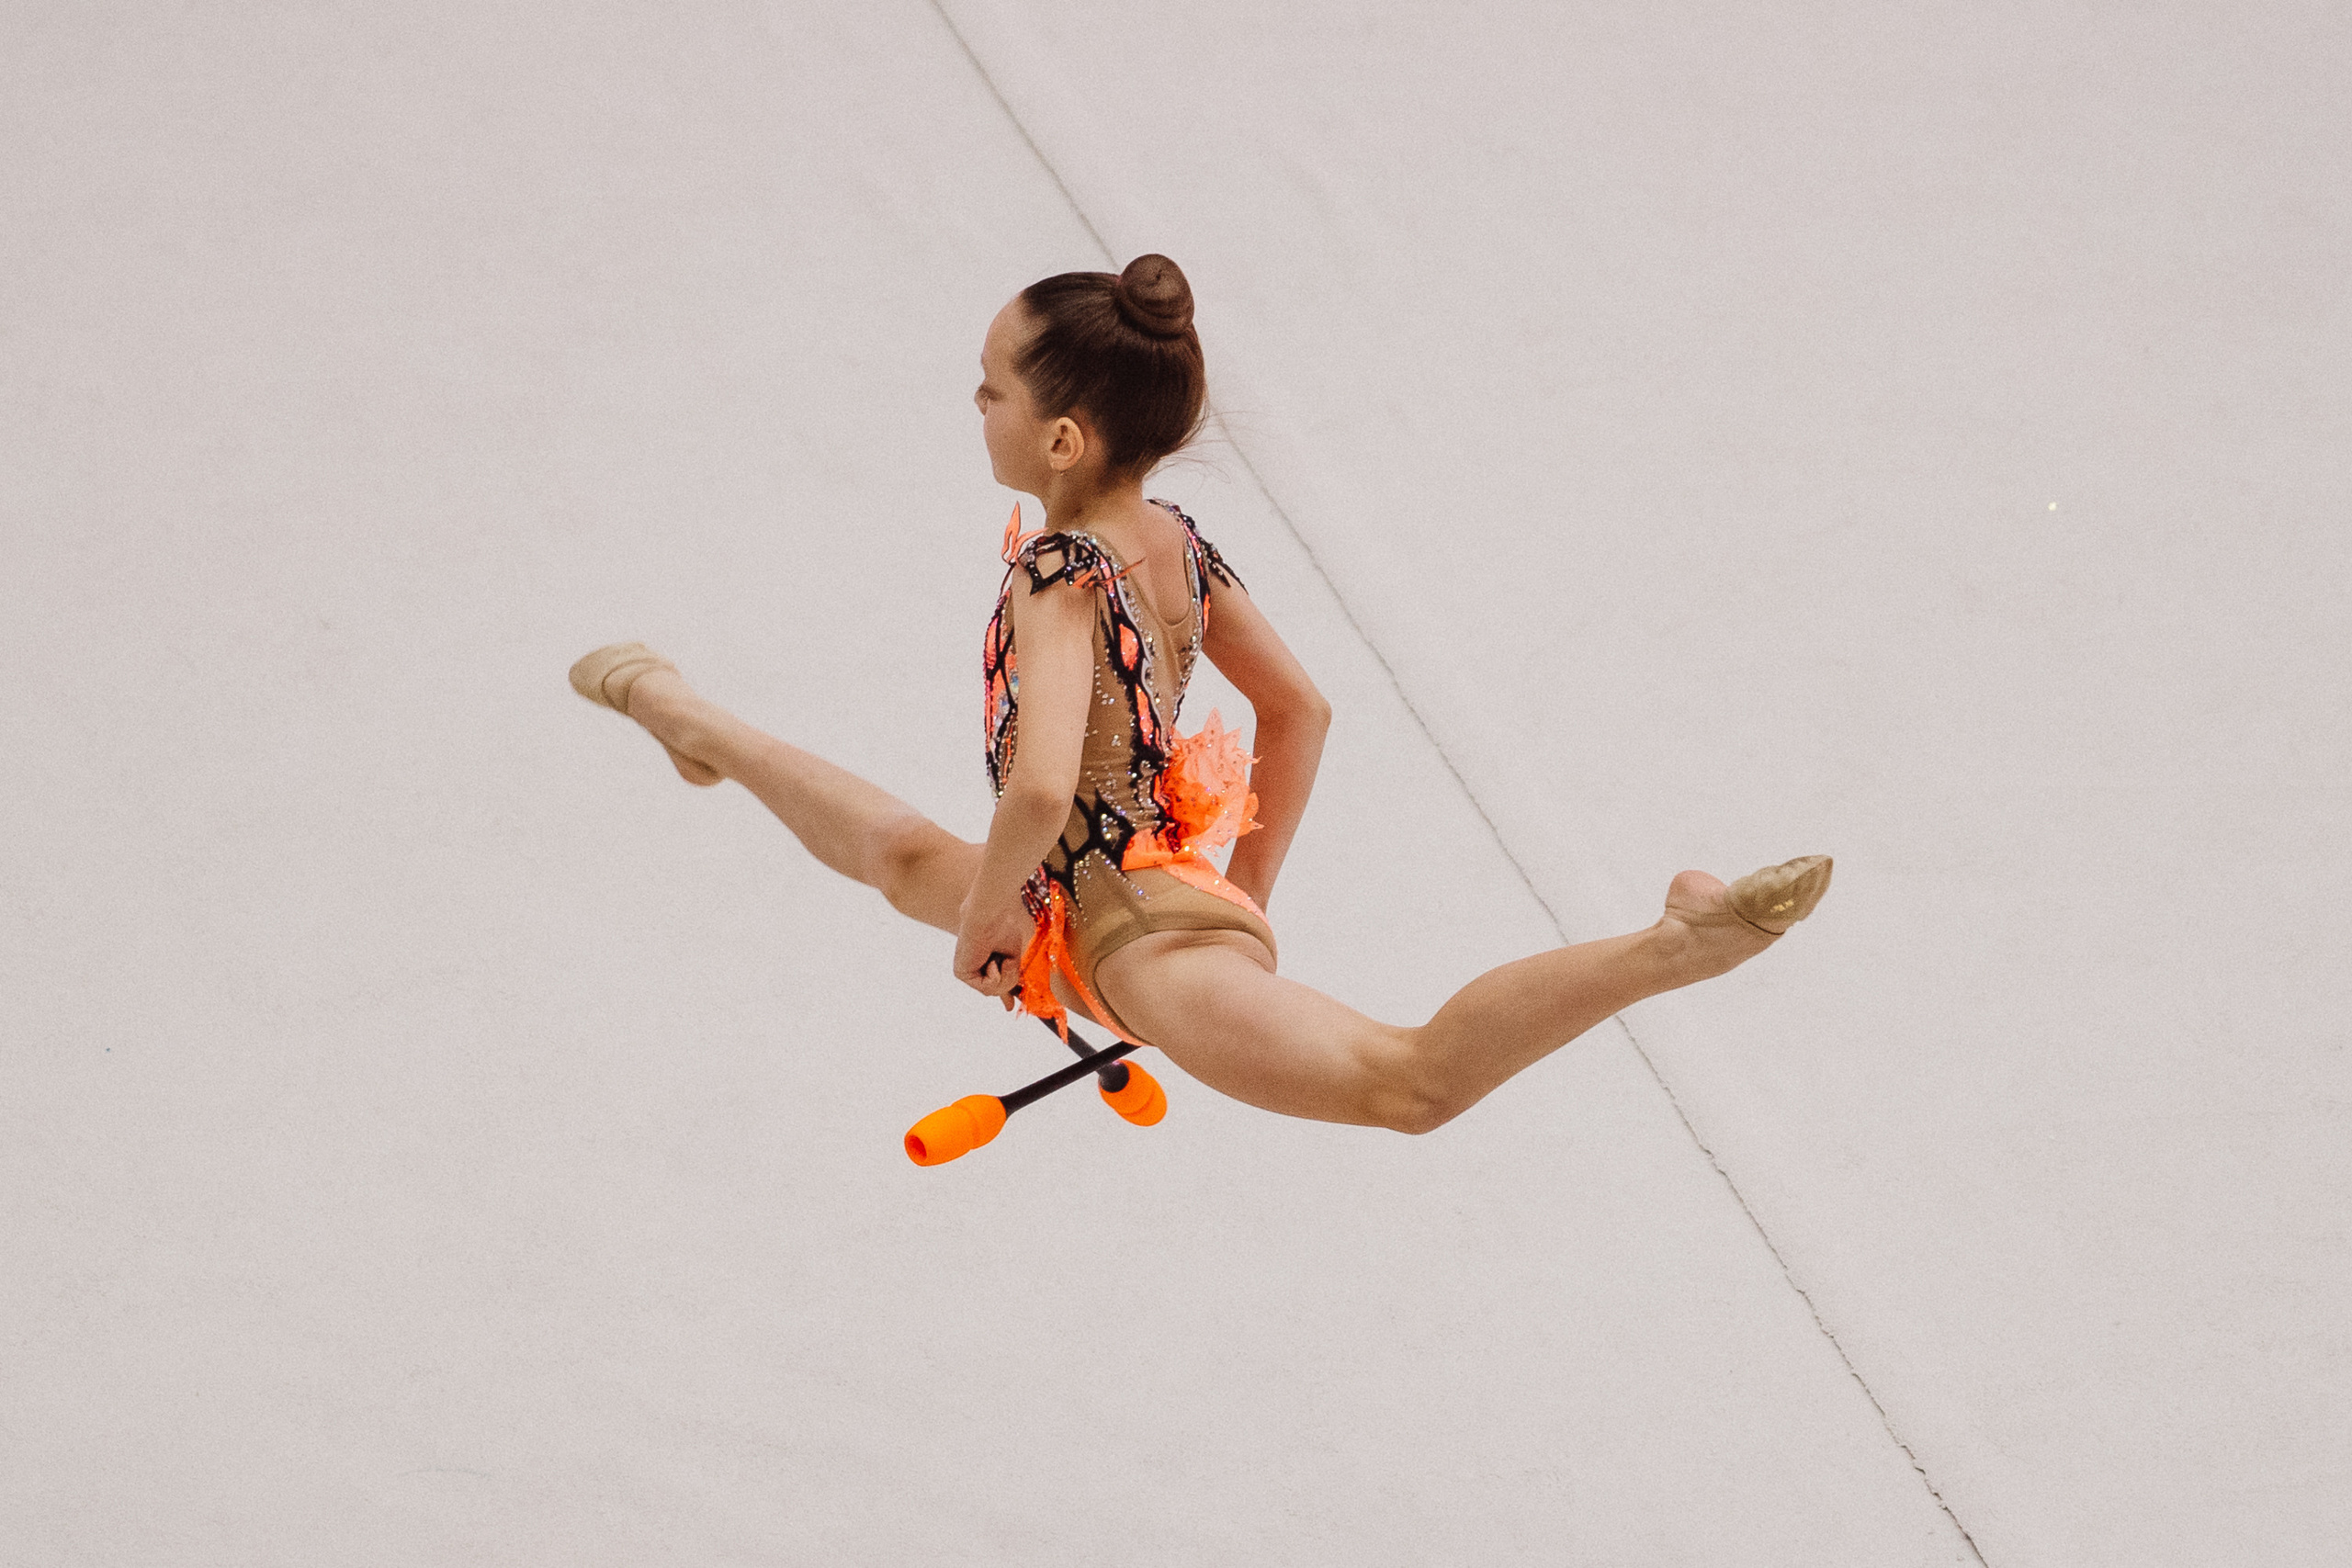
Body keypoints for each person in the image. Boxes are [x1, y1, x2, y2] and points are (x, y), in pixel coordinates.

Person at [568, 254, 1831, 1135]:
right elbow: (1301, 713)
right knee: (901, 853)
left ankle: (1683, 943)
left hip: (1123, 929)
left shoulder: (1058, 577)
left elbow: (1048, 783)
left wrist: (986, 936)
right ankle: (687, 719)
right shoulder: (1170, 539)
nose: (977, 403)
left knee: (1411, 1086)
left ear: (1061, 440)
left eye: (993, 386)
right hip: (1156, 889)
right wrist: (1245, 893)